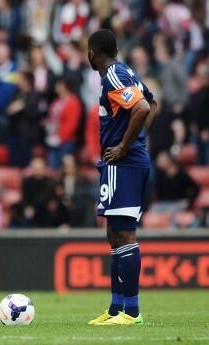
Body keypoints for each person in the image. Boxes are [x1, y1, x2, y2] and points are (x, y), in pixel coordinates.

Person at [86, 29, 156, 326]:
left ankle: (132, 311)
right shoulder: (126, 73)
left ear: (92, 53)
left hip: (123, 163)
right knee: (114, 233)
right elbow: (151, 103)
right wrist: (135, 139)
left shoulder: (114, 74)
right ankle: (116, 308)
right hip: (123, 162)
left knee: (124, 233)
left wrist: (126, 145)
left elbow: (141, 107)